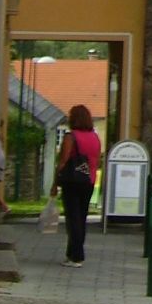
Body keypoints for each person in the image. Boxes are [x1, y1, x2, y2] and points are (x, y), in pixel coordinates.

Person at [50, 104, 101, 267]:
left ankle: (77, 256)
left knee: (73, 219)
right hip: (89, 181)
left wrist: (55, 183)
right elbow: (96, 160)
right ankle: (73, 253)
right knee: (81, 217)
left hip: (72, 181)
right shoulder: (95, 137)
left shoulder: (70, 137)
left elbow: (63, 161)